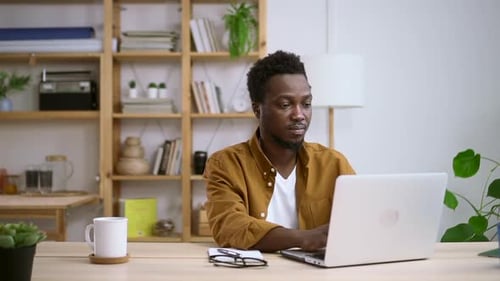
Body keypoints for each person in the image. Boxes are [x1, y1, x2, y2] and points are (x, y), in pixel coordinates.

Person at [203, 50, 355, 253]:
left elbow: (360, 222)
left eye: (306, 104)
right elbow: (230, 228)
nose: (299, 115)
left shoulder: (333, 163)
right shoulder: (226, 164)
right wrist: (303, 238)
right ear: (258, 110)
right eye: (286, 105)